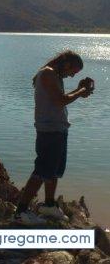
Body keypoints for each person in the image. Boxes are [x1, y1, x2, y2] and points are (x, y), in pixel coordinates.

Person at [14, 50, 94, 225]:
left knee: (54, 170)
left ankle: (49, 205)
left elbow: (59, 99)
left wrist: (79, 90)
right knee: (41, 171)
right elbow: (60, 101)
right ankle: (21, 212)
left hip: (58, 129)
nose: (72, 75)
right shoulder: (48, 73)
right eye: (73, 71)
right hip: (49, 131)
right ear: (66, 64)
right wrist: (81, 91)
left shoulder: (55, 75)